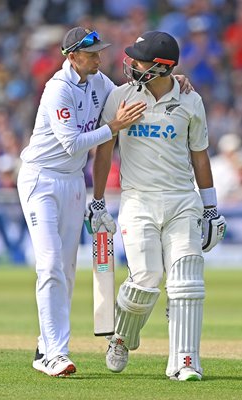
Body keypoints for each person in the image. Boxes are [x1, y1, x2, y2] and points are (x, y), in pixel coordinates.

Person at [17, 26, 192, 378]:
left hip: (72, 182)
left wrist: (173, 81)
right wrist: (113, 126)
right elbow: (72, 144)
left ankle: (46, 347)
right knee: (50, 265)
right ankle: (55, 354)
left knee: (66, 269)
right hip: (42, 179)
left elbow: (135, 92)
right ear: (72, 57)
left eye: (99, 52)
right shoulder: (57, 89)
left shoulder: (99, 83)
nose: (100, 58)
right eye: (92, 53)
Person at [87, 31, 226, 381]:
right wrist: (98, 200)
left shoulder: (191, 101)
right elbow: (105, 149)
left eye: (140, 60)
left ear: (160, 68)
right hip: (138, 200)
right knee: (146, 279)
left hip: (182, 201)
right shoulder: (120, 96)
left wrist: (210, 208)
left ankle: (185, 361)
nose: (132, 63)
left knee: (186, 281)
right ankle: (121, 336)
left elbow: (200, 155)